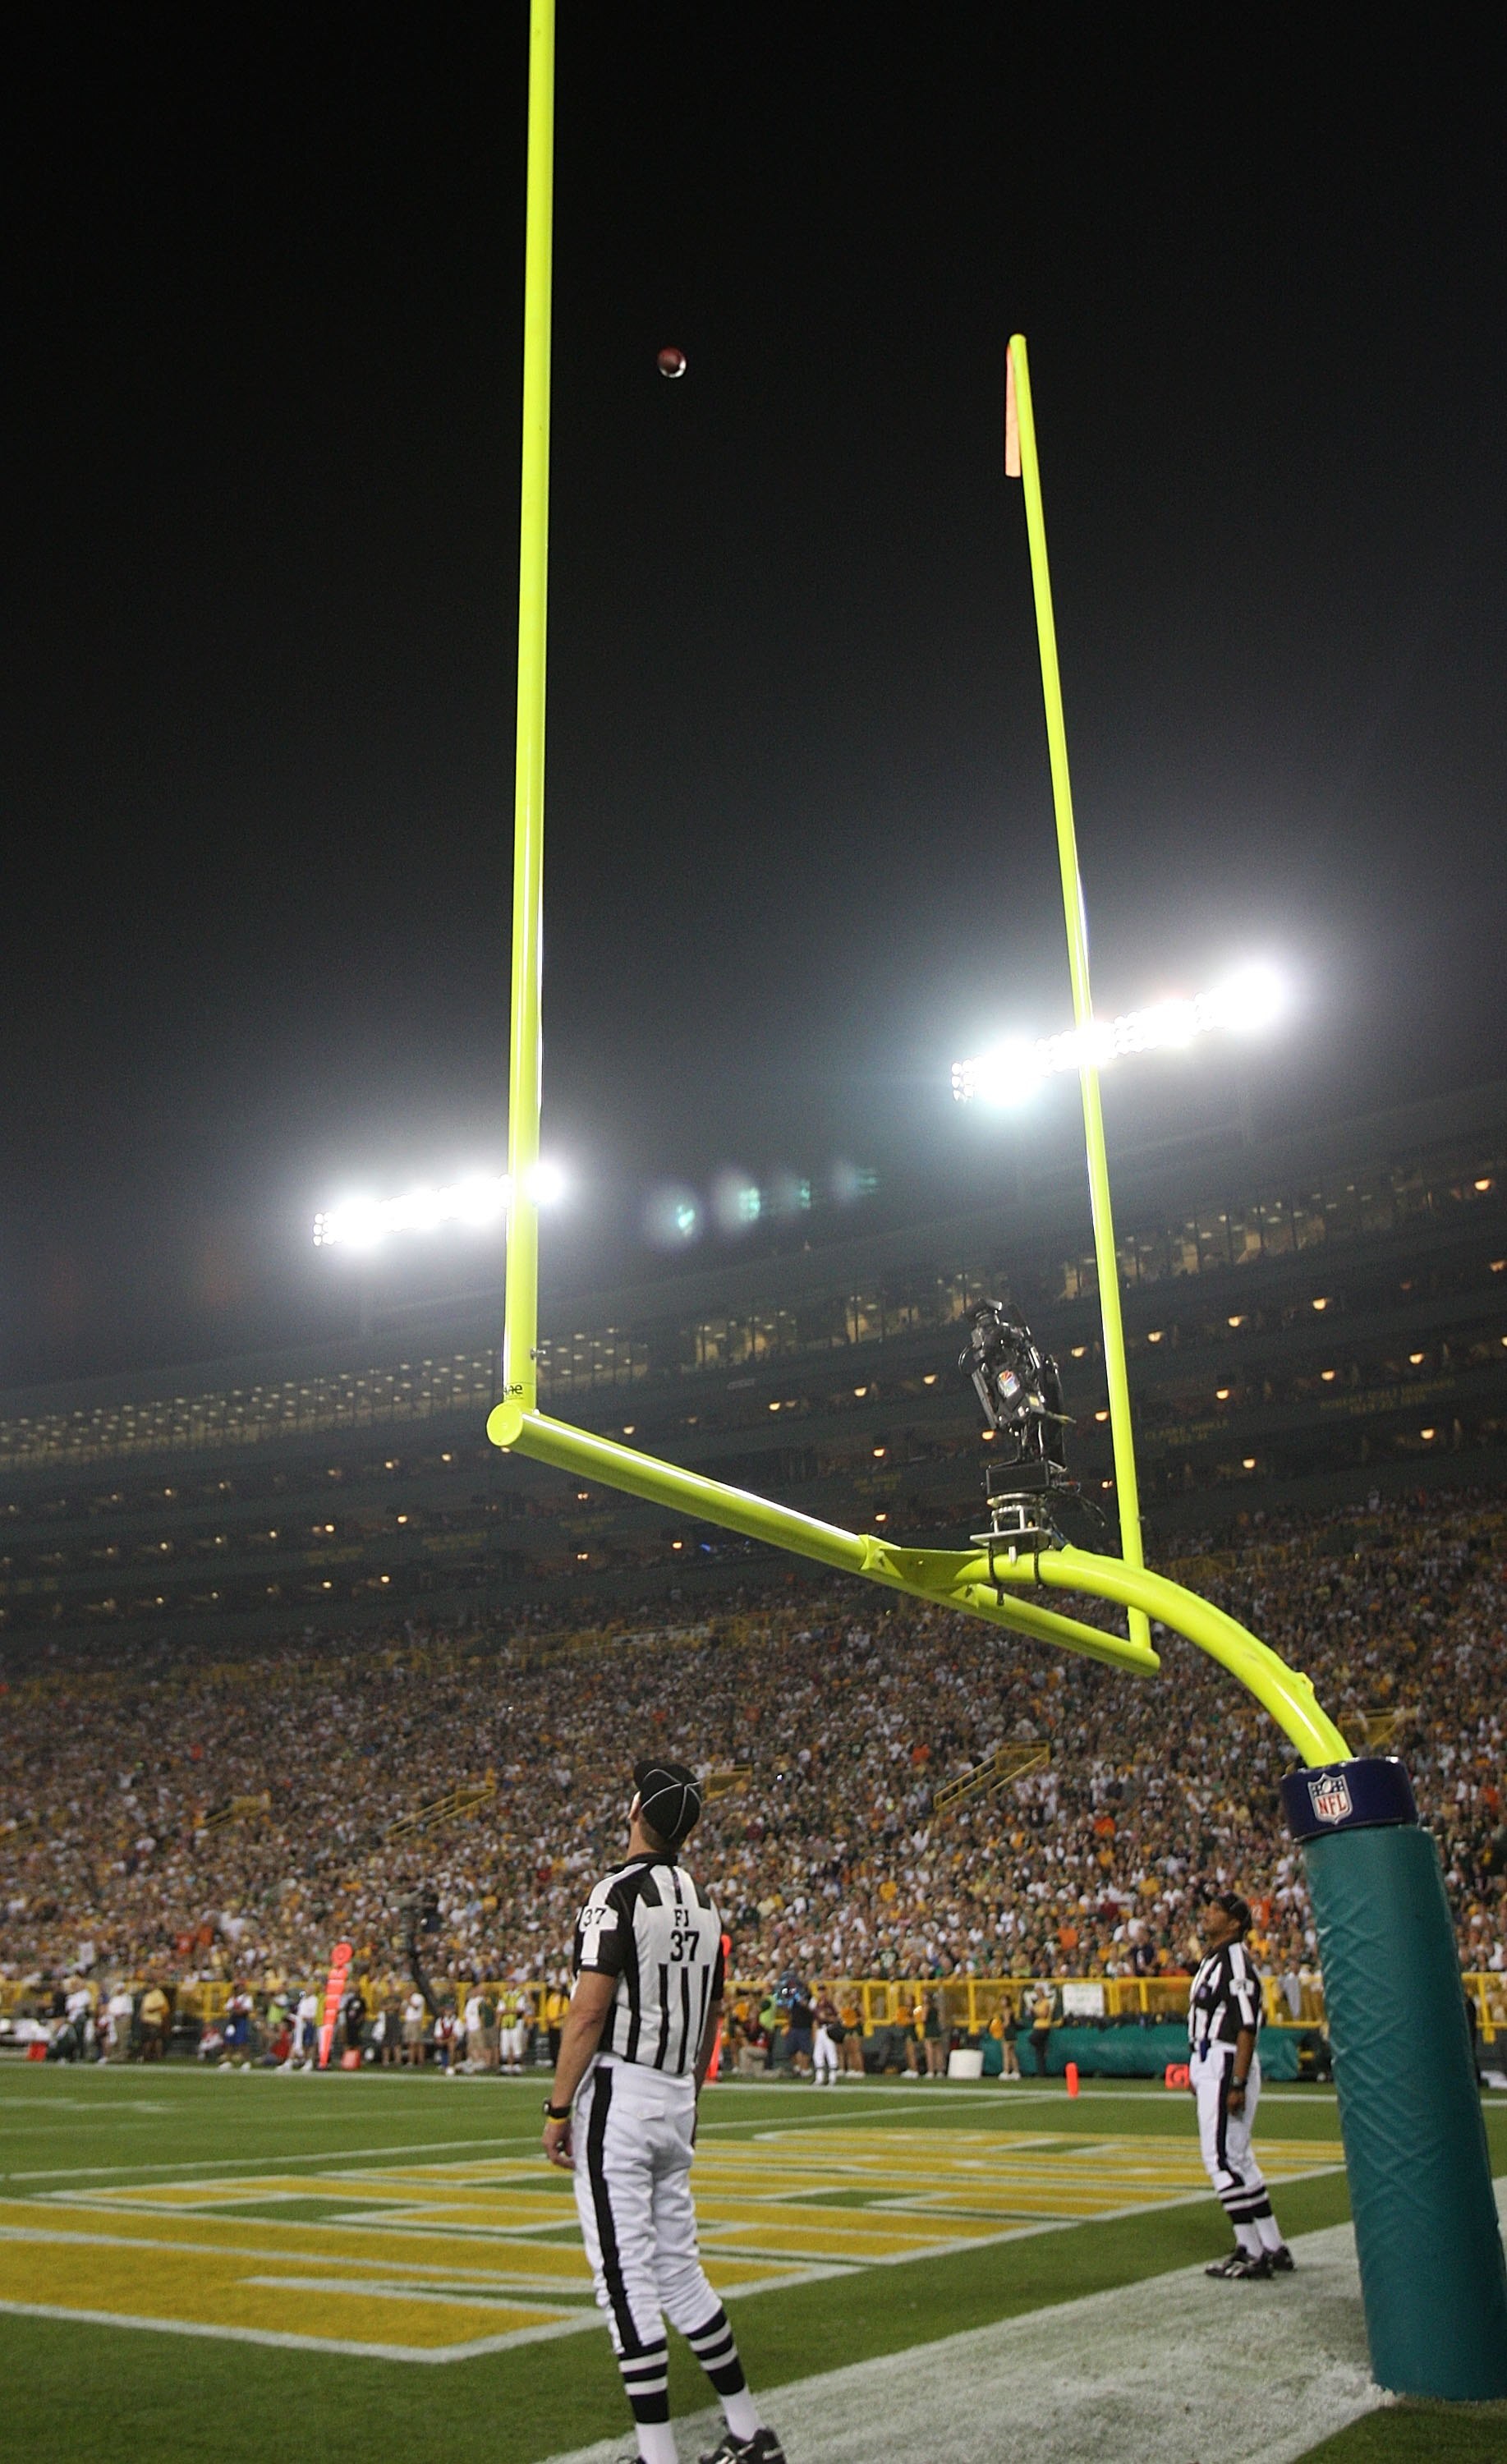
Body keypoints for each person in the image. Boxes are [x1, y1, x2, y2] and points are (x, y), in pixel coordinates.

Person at [542, 1758, 785, 2464]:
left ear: (634, 1812)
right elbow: (711, 2014)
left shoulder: (615, 1892)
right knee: (681, 2271)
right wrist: (692, 2098)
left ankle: (658, 2455)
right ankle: (747, 2431)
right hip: (677, 2094)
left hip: (621, 2096)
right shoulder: (704, 1902)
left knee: (624, 2282)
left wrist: (558, 2106)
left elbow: (588, 2013)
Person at [1189, 1892, 1293, 2280]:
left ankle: (1252, 2251)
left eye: (1217, 1909)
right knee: (1239, 2157)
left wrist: (1236, 2080)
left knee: (1220, 2160)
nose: (1208, 1912)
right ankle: (1272, 2244)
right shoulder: (1215, 1959)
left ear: (1235, 1922)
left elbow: (1247, 2025)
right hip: (1212, 2060)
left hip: (1227, 2058)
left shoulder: (1233, 1961)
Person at [811, 1990, 841, 2085]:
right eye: (820, 1991)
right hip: (819, 2030)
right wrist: (814, 2033)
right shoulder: (817, 2005)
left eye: (823, 1991)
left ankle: (832, 2078)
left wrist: (827, 2018)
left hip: (829, 2029)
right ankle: (819, 2078)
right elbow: (815, 2020)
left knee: (831, 2053)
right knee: (818, 2054)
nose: (821, 1994)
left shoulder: (830, 2005)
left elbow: (837, 2019)